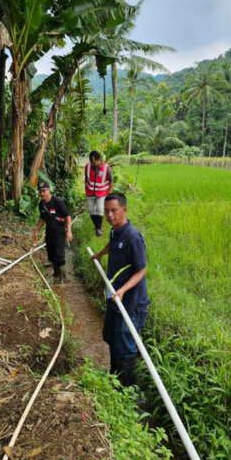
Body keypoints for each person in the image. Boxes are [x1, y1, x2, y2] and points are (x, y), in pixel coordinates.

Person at [90, 193, 149, 387]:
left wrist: (123, 289)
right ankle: (114, 377)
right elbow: (112, 245)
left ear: (124, 210)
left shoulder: (133, 237)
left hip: (130, 303)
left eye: (114, 211)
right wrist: (100, 254)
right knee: (111, 338)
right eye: (106, 211)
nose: (109, 215)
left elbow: (142, 271)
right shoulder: (115, 232)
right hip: (115, 298)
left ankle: (128, 389)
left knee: (126, 347)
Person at [32, 181, 72, 281]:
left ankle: (64, 278)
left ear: (49, 190)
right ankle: (56, 274)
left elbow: (67, 216)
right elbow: (42, 218)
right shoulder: (41, 204)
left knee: (59, 254)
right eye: (40, 192)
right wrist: (36, 230)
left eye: (44, 191)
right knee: (51, 254)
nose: (42, 194)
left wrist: (69, 231)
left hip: (59, 232)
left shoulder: (58, 202)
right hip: (49, 232)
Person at [84, 150, 113, 237]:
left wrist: (109, 193)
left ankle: (98, 229)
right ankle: (97, 226)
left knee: (100, 209)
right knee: (91, 210)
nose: (92, 164)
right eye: (90, 162)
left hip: (102, 193)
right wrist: (85, 188)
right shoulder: (87, 166)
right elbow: (86, 178)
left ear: (99, 160)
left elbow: (111, 181)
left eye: (93, 162)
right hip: (90, 192)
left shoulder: (106, 168)